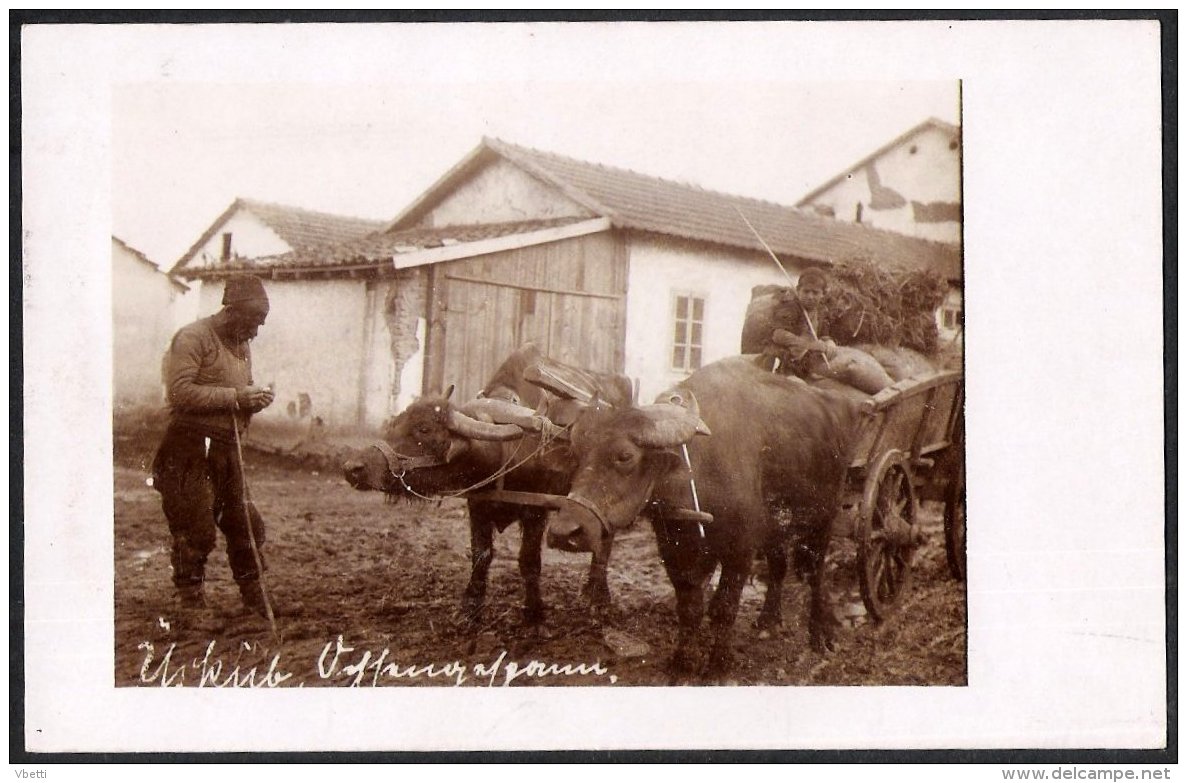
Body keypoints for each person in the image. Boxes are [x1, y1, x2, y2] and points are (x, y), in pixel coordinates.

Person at [151, 275, 277, 619]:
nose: (256, 331)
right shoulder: (193, 337)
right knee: (196, 527)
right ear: (232, 311)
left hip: (226, 448)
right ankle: (190, 602)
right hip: (189, 448)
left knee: (245, 522)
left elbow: (240, 391)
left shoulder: (241, 343)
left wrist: (255, 400)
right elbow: (179, 392)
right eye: (254, 321)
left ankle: (254, 597)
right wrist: (237, 397)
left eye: (261, 323)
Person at [762, 267, 839, 378]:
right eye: (806, 291)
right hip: (781, 356)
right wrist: (811, 345)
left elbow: (823, 334)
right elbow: (779, 334)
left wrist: (829, 341)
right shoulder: (790, 307)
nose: (810, 296)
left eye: (815, 293)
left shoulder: (822, 311)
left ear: (823, 294)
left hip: (806, 359)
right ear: (798, 290)